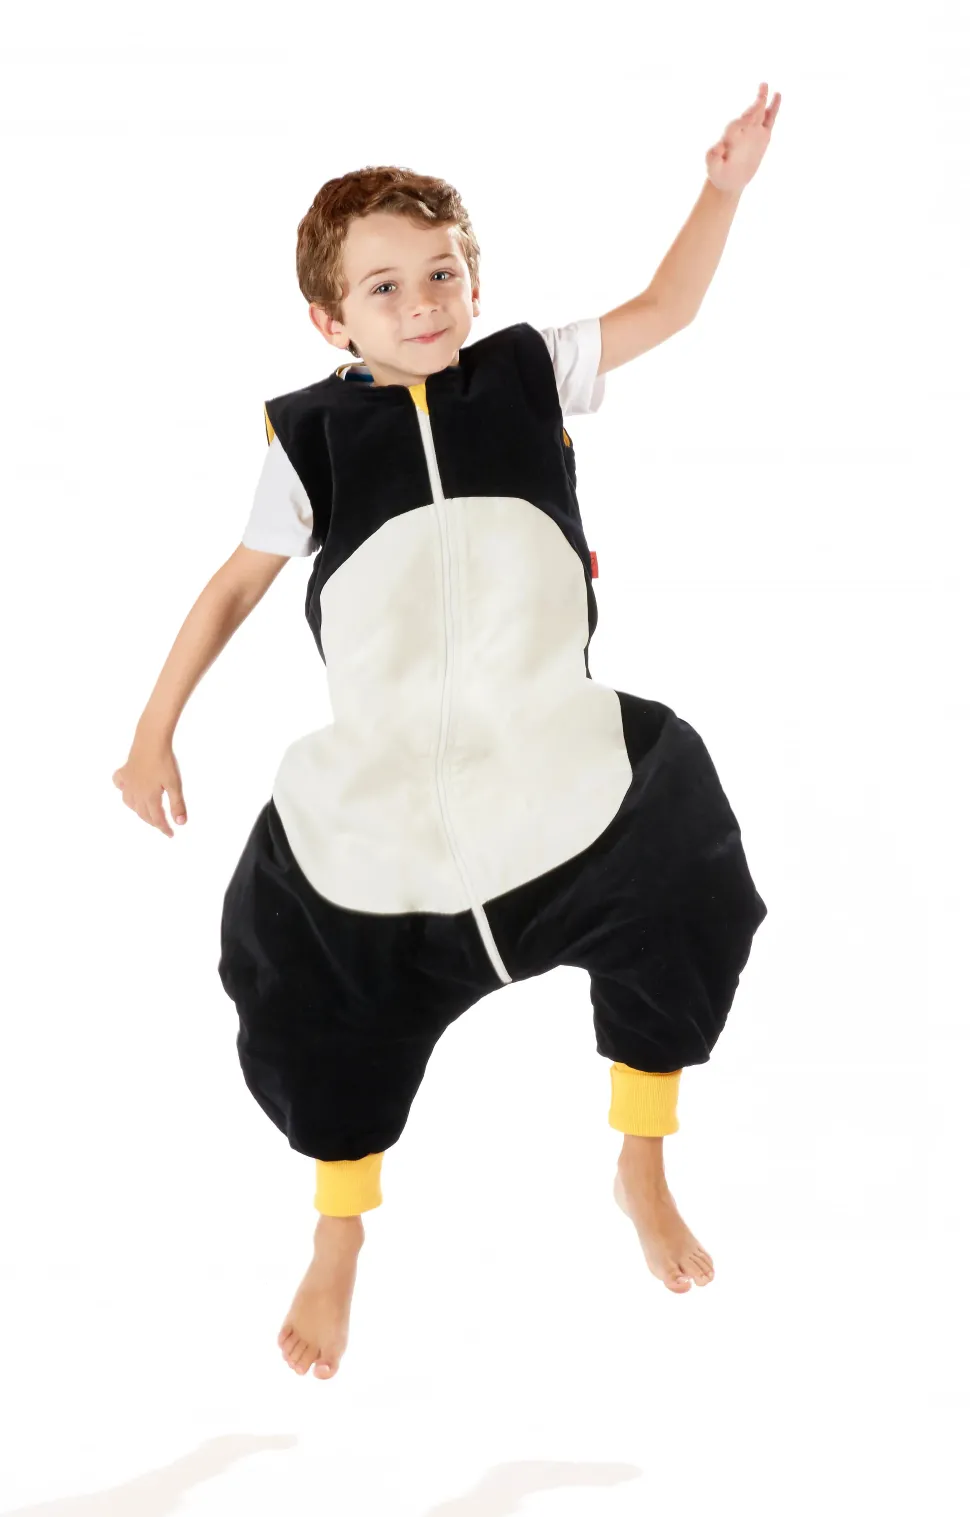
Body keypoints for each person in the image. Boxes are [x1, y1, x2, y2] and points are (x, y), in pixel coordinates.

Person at [112, 84, 781, 1381]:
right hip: (391, 810)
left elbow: (666, 307)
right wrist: (154, 732)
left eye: (442, 274)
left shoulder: (528, 371)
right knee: (305, 978)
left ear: (473, 279)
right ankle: (339, 1229)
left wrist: (721, 190)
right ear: (329, 319)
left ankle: (641, 1160)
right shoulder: (310, 439)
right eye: (384, 288)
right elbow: (236, 586)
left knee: (680, 855)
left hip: (550, 773)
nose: (422, 303)